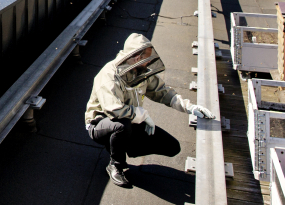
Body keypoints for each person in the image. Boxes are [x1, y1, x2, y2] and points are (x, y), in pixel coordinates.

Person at [84, 33, 214, 187]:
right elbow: (114, 110)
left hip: (131, 120)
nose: (148, 63)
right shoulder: (108, 76)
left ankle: (126, 144)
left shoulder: (140, 72)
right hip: (100, 123)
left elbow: (162, 92)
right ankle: (116, 165)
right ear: (138, 58)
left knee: (172, 147)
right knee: (121, 126)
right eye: (146, 59)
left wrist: (189, 107)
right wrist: (142, 115)